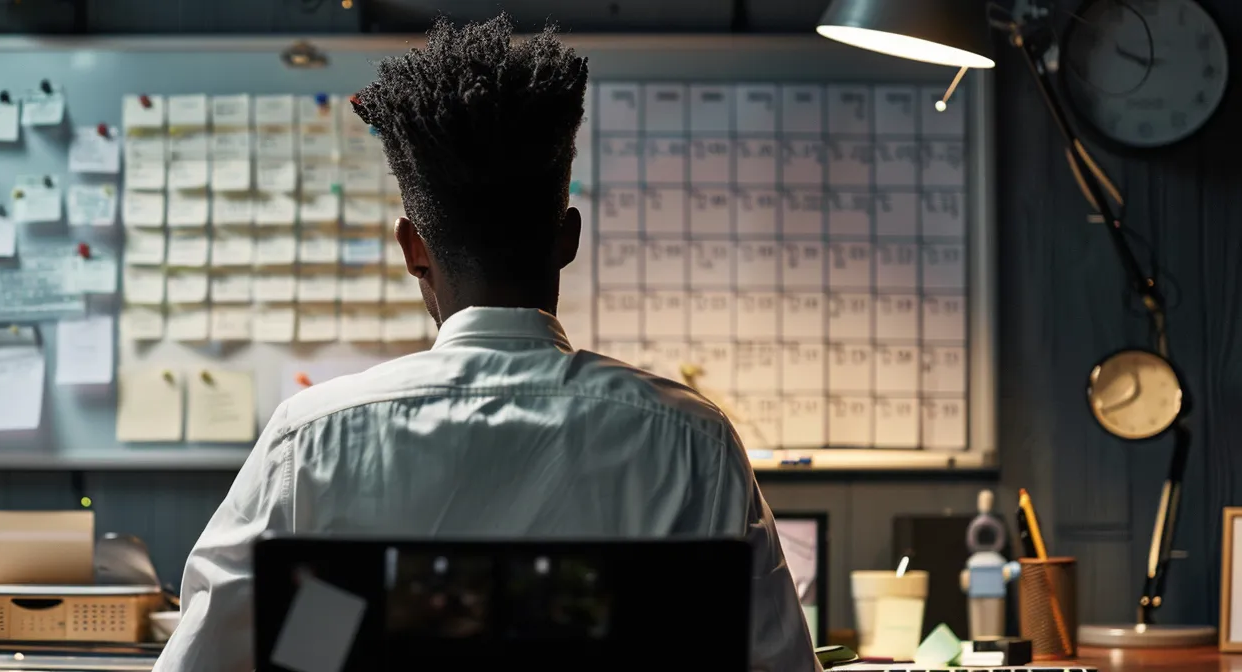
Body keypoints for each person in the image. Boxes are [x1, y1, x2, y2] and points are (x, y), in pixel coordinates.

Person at [154, 14, 817, 672]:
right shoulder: (691, 440)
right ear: (569, 239)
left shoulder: (313, 439)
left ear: (413, 249)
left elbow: (200, 665)